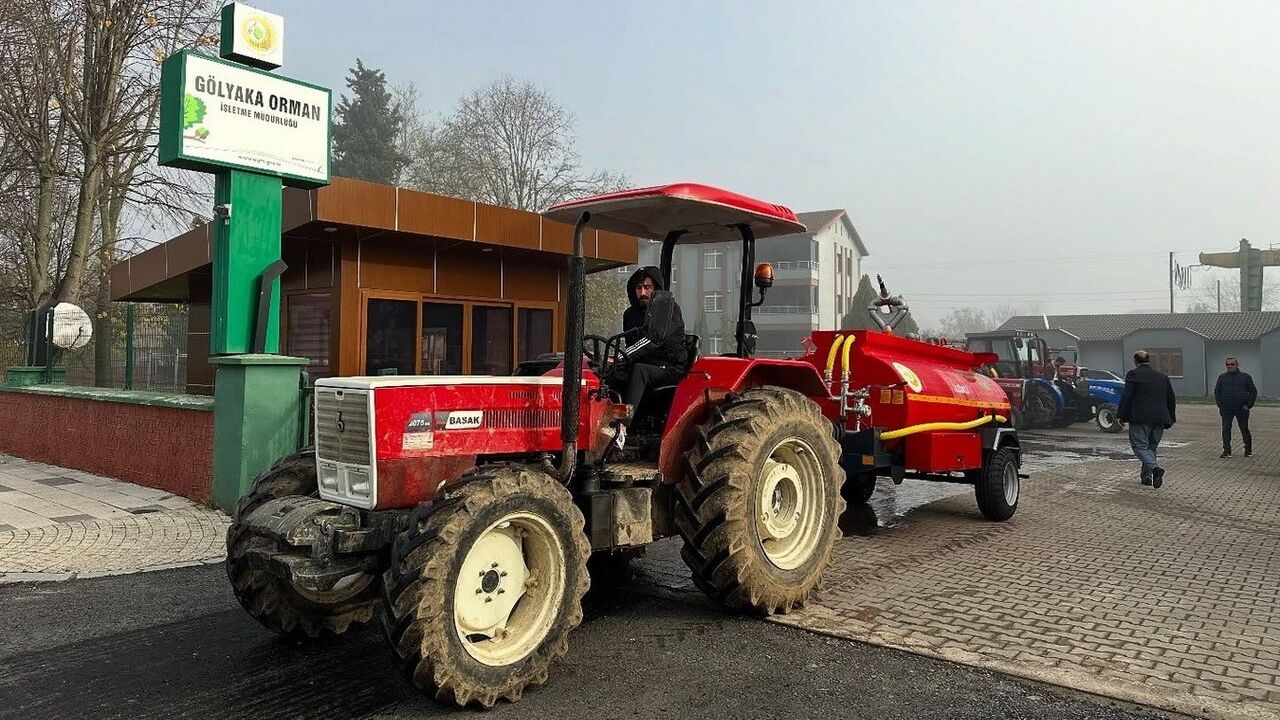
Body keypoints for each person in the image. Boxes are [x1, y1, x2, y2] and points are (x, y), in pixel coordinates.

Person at [606, 267, 688, 444]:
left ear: (656, 288)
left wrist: (622, 357)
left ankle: (622, 428)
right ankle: (602, 423)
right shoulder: (630, 314)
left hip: (670, 367)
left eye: (647, 287)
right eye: (638, 288)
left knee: (639, 370)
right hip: (644, 364)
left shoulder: (669, 310)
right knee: (608, 372)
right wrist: (614, 361)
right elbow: (632, 347)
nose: (642, 292)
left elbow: (652, 340)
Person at [1117, 349, 1177, 489]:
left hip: (1140, 418)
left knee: (1139, 446)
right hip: (1160, 418)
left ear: (1135, 361)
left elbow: (1127, 396)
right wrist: (1171, 418)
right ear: (1149, 360)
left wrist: (1121, 416)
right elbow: (1171, 399)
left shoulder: (1133, 374)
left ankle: (1155, 469)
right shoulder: (1162, 377)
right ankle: (1147, 477)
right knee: (1151, 447)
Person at [1214, 356, 1257, 458]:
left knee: (1244, 429)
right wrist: (1220, 404)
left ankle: (1248, 450)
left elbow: (1253, 392)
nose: (1230, 366)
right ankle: (1226, 451)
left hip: (1242, 408)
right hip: (1226, 409)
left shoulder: (1245, 377)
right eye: (1227, 365)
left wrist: (1248, 405)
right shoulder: (1222, 377)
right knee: (1226, 429)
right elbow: (1217, 392)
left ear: (1237, 365)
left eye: (1232, 364)